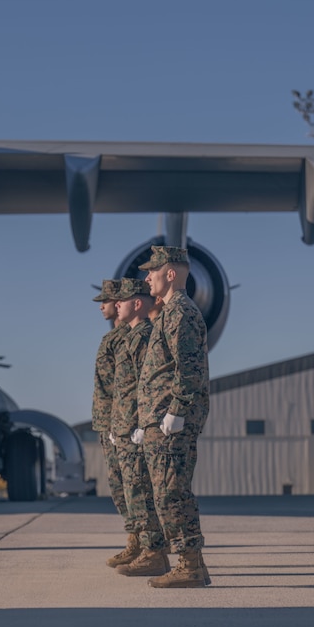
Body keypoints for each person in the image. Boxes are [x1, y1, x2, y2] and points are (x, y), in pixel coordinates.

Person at [137, 245, 210, 588]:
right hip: (159, 419)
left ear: (171, 273)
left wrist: (178, 410)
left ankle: (190, 564)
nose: (146, 276)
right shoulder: (168, 313)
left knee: (172, 491)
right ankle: (187, 561)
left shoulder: (180, 312)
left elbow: (189, 368)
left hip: (172, 420)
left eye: (152, 270)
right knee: (166, 491)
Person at [107, 278, 168, 577]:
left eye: (124, 299)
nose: (117, 303)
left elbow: (148, 384)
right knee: (132, 490)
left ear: (138, 304)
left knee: (141, 490)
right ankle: (146, 548)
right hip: (124, 425)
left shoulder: (144, 336)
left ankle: (154, 552)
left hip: (134, 426)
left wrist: (141, 423)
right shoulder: (130, 336)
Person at [92, 279, 132, 567]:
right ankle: (135, 539)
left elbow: (125, 385)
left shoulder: (125, 339)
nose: (103, 306)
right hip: (109, 422)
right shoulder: (115, 337)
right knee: (119, 486)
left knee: (130, 486)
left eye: (106, 301)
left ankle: (142, 542)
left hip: (120, 423)